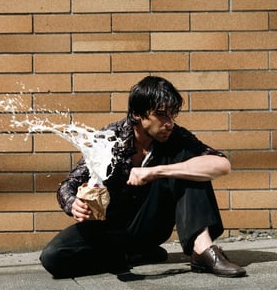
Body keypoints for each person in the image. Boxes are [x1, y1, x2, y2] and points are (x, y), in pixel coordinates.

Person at [40, 76, 246, 278]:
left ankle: (203, 249)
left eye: (172, 115)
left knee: (189, 164)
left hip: (151, 222)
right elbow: (68, 185)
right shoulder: (110, 139)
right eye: (161, 115)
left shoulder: (177, 138)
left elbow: (222, 164)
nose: (169, 123)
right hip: (110, 227)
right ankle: (129, 256)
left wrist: (155, 171)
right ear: (138, 113)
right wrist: (73, 204)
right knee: (53, 258)